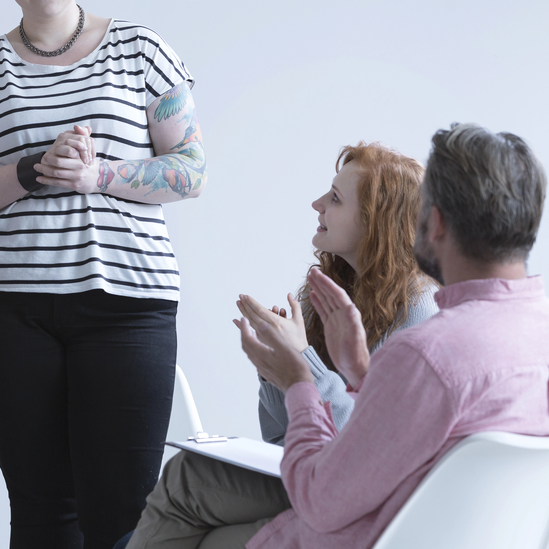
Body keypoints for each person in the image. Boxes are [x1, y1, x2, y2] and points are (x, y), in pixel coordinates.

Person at [0, 0, 206, 547]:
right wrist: (31, 170)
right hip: (1, 309)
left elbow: (192, 170)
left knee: (123, 512)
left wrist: (97, 176)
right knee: (42, 505)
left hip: (127, 305)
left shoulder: (141, 49)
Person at [126, 122, 549, 549]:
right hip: (442, 532)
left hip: (370, 530)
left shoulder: (427, 351)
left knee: (181, 489)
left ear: (434, 222)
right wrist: (364, 374)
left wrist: (299, 378)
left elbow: (323, 498)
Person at [242, 142, 439, 446]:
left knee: (189, 469)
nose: (317, 204)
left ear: (376, 222)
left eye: (335, 198)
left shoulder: (420, 312)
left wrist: (302, 360)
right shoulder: (322, 294)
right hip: (308, 470)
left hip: (363, 475)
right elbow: (280, 438)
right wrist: (276, 368)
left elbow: (366, 446)